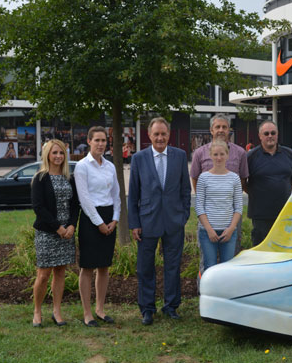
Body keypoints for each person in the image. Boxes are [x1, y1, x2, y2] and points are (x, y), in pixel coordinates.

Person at [128, 117, 191, 326]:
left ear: (169, 134)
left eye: (163, 133)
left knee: (173, 265)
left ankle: (171, 306)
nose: (160, 137)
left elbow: (185, 189)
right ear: (149, 135)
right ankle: (147, 308)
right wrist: (134, 223)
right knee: (145, 267)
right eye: (156, 134)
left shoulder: (180, 156)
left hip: (174, 221)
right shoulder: (139, 158)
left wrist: (183, 217)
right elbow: (133, 194)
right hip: (147, 221)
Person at [74, 126, 121, 327]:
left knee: (104, 266)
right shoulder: (82, 166)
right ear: (89, 141)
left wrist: (115, 219)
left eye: (104, 141)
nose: (101, 144)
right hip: (90, 219)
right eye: (97, 140)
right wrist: (99, 223)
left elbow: (116, 196)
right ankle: (87, 314)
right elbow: (84, 199)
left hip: (109, 217)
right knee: (87, 267)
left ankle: (100, 309)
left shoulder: (110, 166)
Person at [31, 139, 80, 327]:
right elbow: (39, 208)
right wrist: (57, 228)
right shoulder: (40, 178)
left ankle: (57, 311)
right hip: (47, 232)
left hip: (66, 233)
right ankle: (37, 311)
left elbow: (75, 205)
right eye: (54, 153)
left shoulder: (70, 178)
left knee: (60, 272)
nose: (58, 156)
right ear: (47, 155)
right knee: (43, 274)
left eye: (61, 153)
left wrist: (71, 226)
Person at [190, 113, 248, 263]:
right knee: (206, 260)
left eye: (224, 127)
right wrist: (206, 201)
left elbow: (242, 179)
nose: (221, 130)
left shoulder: (240, 153)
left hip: (231, 215)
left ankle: (228, 287)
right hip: (208, 217)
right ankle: (203, 287)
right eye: (217, 127)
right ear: (211, 130)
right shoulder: (199, 153)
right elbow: (195, 178)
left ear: (229, 129)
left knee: (231, 257)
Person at [245, 120, 292, 247]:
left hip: (284, 213)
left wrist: (283, 189)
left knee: (283, 250)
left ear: (277, 134)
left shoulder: (289, 154)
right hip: (260, 214)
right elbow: (243, 182)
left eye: (273, 133)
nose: (270, 136)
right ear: (260, 136)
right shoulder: (251, 156)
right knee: (261, 251)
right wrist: (256, 192)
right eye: (266, 133)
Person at [195, 140, 242, 272]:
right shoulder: (203, 178)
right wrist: (209, 229)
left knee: (226, 269)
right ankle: (207, 293)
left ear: (227, 155)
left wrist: (231, 229)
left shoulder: (234, 178)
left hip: (228, 232)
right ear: (210, 155)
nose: (219, 157)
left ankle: (224, 293)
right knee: (209, 267)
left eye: (222, 154)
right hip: (208, 232)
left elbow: (238, 207)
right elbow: (199, 206)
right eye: (215, 154)